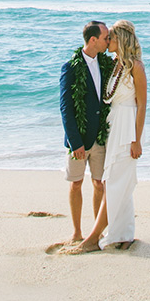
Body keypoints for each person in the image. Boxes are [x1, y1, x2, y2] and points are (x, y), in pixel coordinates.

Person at [70, 19, 145, 253]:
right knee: (118, 183)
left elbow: (142, 105)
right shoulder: (115, 64)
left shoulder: (136, 66)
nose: (108, 40)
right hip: (113, 128)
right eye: (106, 37)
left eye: (111, 37)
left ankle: (93, 238)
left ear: (120, 39)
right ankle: (123, 234)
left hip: (127, 131)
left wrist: (137, 140)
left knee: (114, 182)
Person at [59, 20, 113, 246]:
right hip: (79, 139)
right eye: (105, 38)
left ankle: (96, 231)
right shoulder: (70, 67)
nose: (108, 41)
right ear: (93, 40)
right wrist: (75, 142)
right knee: (77, 183)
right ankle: (76, 232)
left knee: (100, 184)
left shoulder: (106, 64)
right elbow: (65, 107)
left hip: (99, 137)